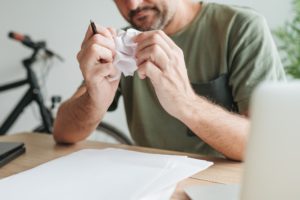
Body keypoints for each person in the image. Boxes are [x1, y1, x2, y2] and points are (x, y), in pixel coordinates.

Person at [53, 0, 285, 161]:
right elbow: (63, 133)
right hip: (150, 182)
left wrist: (185, 103)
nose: (132, 5)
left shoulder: (240, 28)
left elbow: (268, 145)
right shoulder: (122, 44)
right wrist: (95, 99)